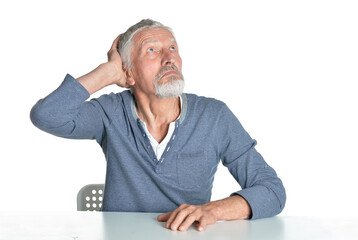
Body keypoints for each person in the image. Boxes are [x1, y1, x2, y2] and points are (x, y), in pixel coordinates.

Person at [30, 19, 286, 232]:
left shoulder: (214, 115)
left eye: (173, 48)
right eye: (152, 50)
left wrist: (212, 210)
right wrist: (107, 72)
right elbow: (47, 115)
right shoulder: (110, 112)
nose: (168, 58)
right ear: (128, 73)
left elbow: (272, 191)